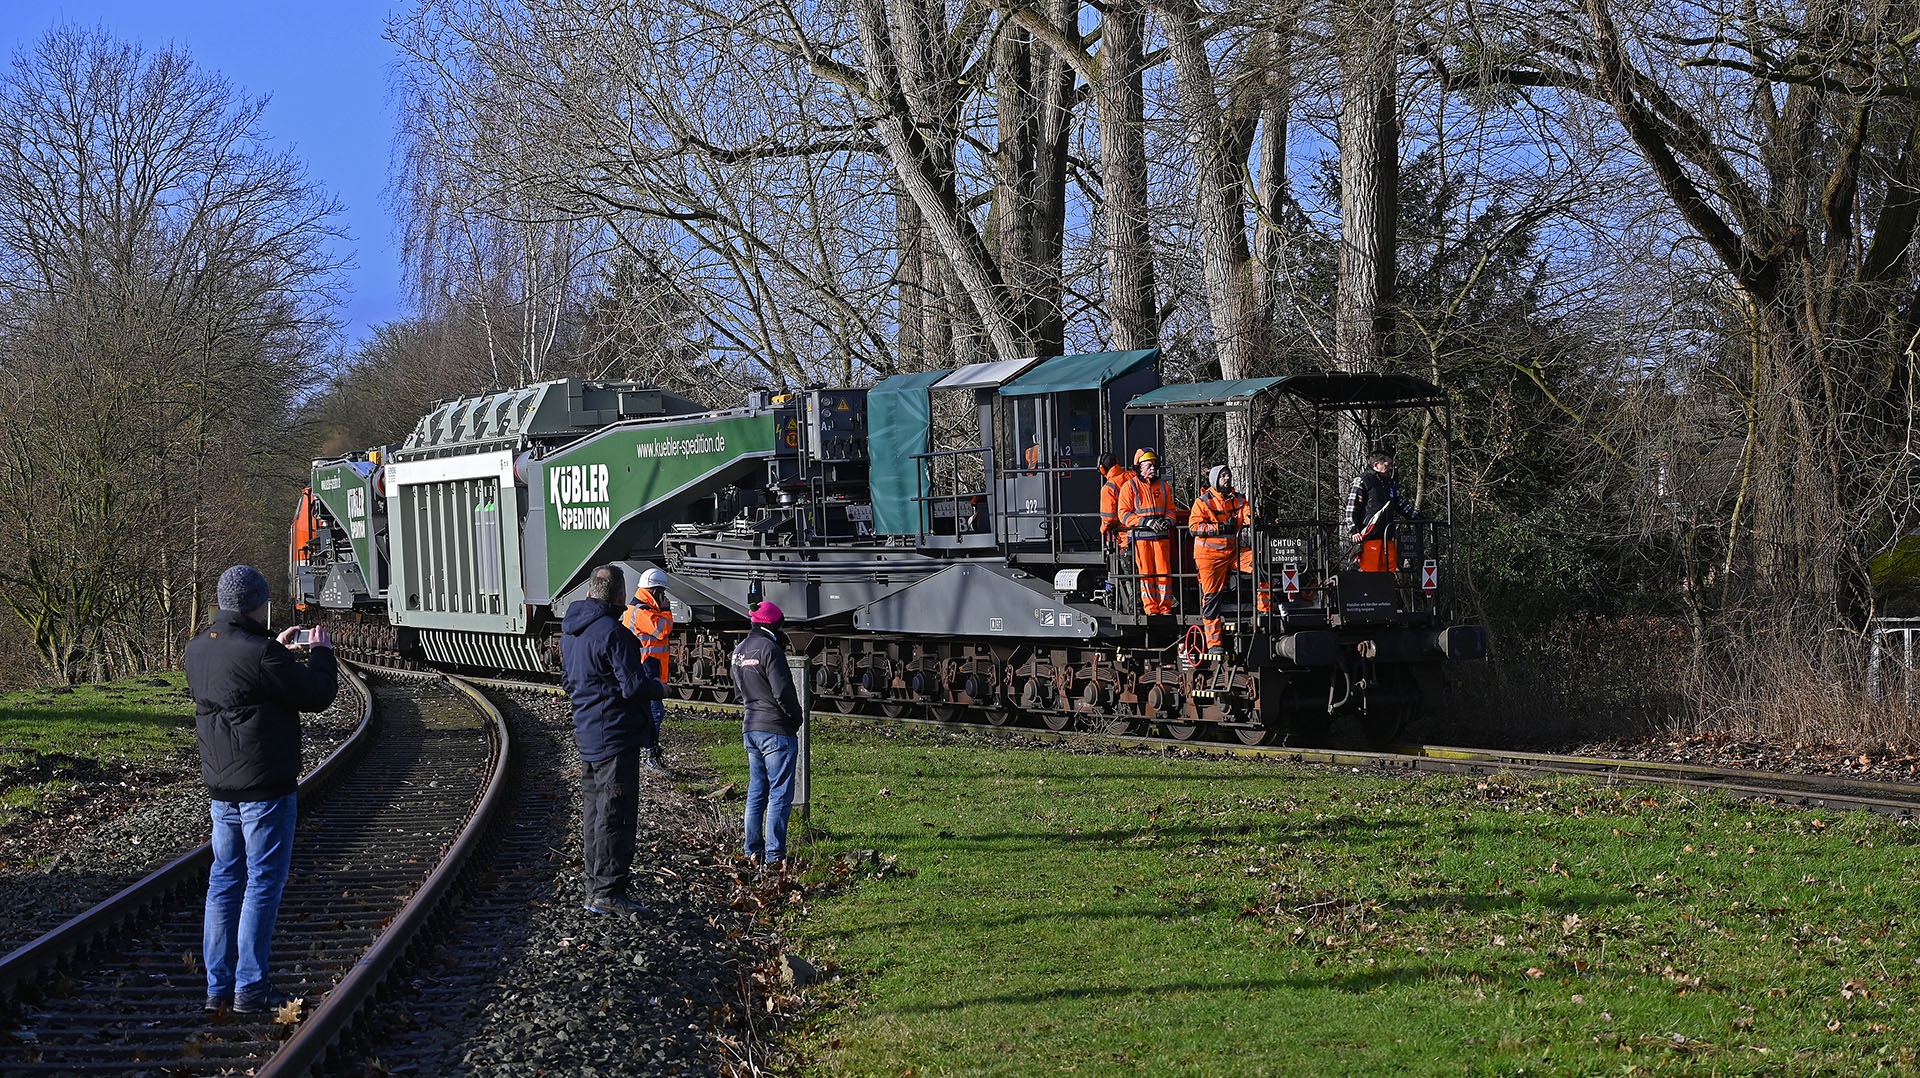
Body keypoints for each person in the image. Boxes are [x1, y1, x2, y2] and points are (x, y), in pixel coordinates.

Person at [186, 564, 338, 1015]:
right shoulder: (262, 654)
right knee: (262, 883)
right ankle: (251, 986)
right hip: (265, 788)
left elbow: (245, 681)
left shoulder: (196, 650)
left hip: (220, 788)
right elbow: (315, 695)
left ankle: (218, 987)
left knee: (223, 881)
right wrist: (320, 653)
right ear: (259, 604)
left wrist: (275, 648)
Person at [561, 564, 668, 919]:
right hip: (616, 737)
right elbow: (633, 686)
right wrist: (660, 687)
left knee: (594, 813)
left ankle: (595, 886)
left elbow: (569, 681)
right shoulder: (615, 634)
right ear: (622, 596)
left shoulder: (572, 632)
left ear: (590, 591)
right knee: (616, 815)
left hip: (588, 733)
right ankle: (608, 891)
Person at [731, 601, 806, 868]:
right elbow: (783, 692)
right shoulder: (771, 650)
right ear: (774, 624)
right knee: (779, 794)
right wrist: (796, 718)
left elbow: (739, 692)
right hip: (776, 730)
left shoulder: (739, 651)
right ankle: (775, 855)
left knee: (756, 792)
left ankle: (752, 850)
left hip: (750, 728)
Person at [1188, 465, 1272, 650]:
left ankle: (1264, 613)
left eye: (1228, 475)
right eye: (1223, 476)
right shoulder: (1203, 502)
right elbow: (1194, 527)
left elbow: (1247, 514)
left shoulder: (1239, 499)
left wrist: (1254, 520)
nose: (1227, 478)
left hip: (1235, 551)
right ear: (1215, 480)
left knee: (1262, 565)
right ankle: (1213, 643)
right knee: (1211, 597)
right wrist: (1218, 528)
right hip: (1209, 556)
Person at [1116, 448, 1186, 615]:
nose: (1153, 468)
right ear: (1139, 467)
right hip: (1141, 538)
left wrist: (1168, 521)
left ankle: (1165, 607)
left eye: (1155, 465)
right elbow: (1123, 514)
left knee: (1164, 573)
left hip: (1161, 537)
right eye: (1149, 465)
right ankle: (1151, 609)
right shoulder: (1129, 487)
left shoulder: (1163, 486)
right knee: (1146, 573)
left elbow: (1170, 509)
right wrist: (1146, 522)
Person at [621, 567, 674, 772]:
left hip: (647, 667)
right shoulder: (641, 611)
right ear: (655, 591)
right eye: (662, 593)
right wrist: (667, 610)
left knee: (651, 712)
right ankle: (650, 757)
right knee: (654, 713)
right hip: (647, 668)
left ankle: (649, 754)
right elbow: (662, 631)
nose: (665, 597)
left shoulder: (641, 609)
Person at [1349, 449, 1421, 573]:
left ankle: (1387, 592)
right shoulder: (1363, 480)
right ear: (1377, 465)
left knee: (1389, 572)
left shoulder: (1390, 483)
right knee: (1370, 573)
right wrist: (1354, 530)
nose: (1391, 468)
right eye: (1388, 465)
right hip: (1369, 537)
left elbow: (1401, 504)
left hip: (1388, 536)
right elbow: (1352, 507)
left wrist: (1418, 517)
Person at [1097, 451, 1130, 549]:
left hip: (1126, 537)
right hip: (1145, 533)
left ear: (1102, 469)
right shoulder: (1133, 475)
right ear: (1117, 462)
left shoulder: (1108, 488)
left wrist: (1102, 529)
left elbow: (1109, 519)